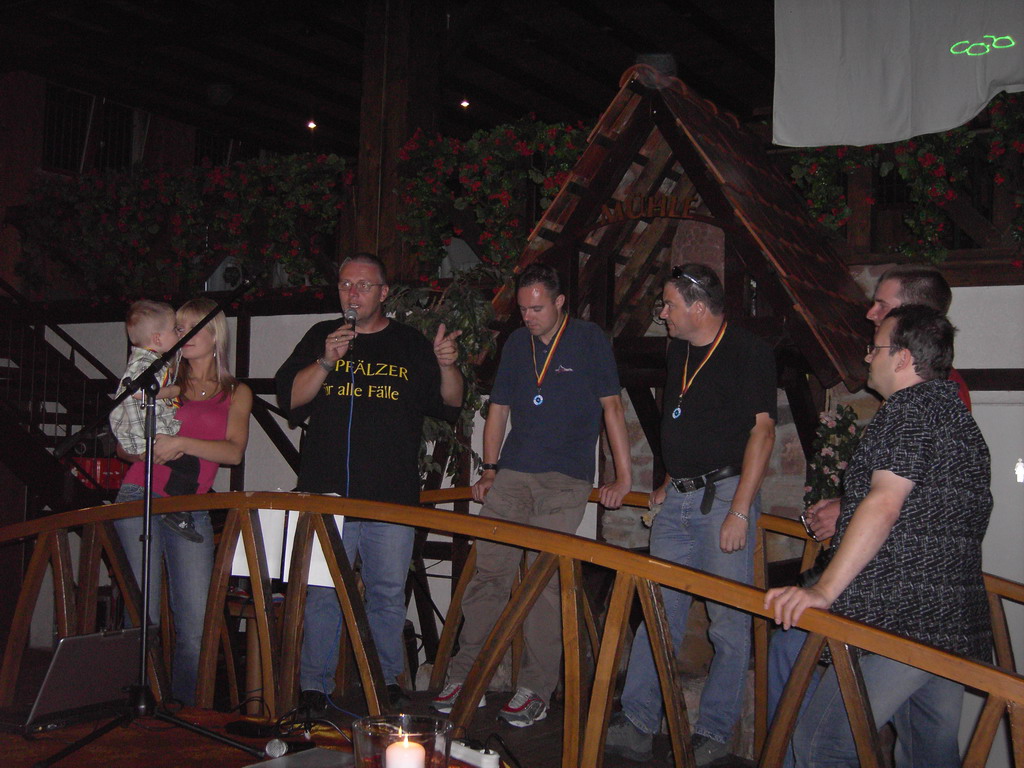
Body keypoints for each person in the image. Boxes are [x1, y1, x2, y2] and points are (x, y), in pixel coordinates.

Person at [764, 306, 992, 768]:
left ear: (903, 358)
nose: (868, 357)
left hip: (900, 621)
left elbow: (885, 503)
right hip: (951, 623)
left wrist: (823, 591)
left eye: (876, 348)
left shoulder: (908, 410)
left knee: (821, 744)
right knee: (929, 754)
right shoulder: (959, 418)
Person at [430, 263, 632, 727]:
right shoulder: (518, 343)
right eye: (523, 309)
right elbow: (498, 409)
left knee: (542, 581)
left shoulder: (589, 339)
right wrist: (490, 470)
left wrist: (623, 478)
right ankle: (466, 675)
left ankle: (535, 688)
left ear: (560, 303)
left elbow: (612, 407)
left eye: (537, 308)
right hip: (513, 475)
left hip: (566, 480)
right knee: (488, 574)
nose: (528, 317)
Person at [274, 253, 463, 711]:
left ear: (383, 293)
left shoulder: (409, 343)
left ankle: (384, 684)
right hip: (327, 492)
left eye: (363, 285)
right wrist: (325, 361)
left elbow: (450, 405)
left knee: (386, 595)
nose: (352, 293)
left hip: (390, 496)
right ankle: (314, 689)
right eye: (345, 284)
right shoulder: (321, 336)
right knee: (323, 593)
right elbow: (289, 399)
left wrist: (447, 364)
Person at [605, 263, 777, 766]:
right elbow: (688, 421)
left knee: (728, 624)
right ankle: (638, 722)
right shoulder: (678, 349)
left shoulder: (749, 351)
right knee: (658, 614)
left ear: (699, 308)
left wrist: (739, 511)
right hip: (679, 498)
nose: (662, 313)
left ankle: (714, 732)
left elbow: (763, 433)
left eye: (669, 305)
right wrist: (668, 481)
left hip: (725, 498)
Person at [114, 297, 253, 705]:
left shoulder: (235, 392)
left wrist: (181, 443)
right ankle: (139, 706)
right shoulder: (159, 377)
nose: (184, 335)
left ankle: (184, 712)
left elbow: (234, 452)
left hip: (190, 504)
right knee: (142, 617)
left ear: (216, 335)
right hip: (140, 492)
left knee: (194, 623)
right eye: (179, 327)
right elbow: (122, 444)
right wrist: (147, 449)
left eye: (194, 327)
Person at [110, 299, 202, 542]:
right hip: (144, 433)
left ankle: (176, 507)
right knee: (189, 465)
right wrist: (173, 391)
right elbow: (138, 390)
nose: (179, 335)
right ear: (158, 338)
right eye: (175, 330)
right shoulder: (145, 363)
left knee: (185, 464)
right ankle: (177, 511)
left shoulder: (150, 361)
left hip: (149, 431)